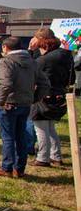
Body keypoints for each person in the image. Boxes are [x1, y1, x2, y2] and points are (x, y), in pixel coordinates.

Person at [0, 37, 49, 178]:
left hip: (9, 104)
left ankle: (7, 168)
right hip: (25, 104)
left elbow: (6, 84)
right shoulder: (32, 61)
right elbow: (45, 83)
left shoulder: (5, 62)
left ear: (5, 47)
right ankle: (19, 168)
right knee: (21, 136)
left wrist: (0, 102)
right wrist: (34, 98)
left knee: (8, 137)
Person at [30, 28, 75, 167]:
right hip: (60, 95)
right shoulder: (66, 55)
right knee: (50, 127)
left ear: (42, 40)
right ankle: (56, 156)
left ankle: (43, 158)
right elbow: (71, 78)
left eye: (35, 38)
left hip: (44, 97)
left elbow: (31, 74)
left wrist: (30, 51)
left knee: (41, 128)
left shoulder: (44, 59)